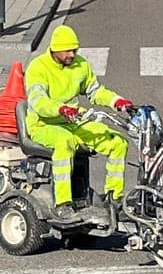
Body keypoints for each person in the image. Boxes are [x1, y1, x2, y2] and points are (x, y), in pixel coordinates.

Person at [22, 24, 135, 225]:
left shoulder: (81, 66)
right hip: (43, 125)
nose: (72, 54)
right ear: (55, 49)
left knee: (118, 143)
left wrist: (117, 101)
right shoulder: (38, 68)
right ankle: (63, 204)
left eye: (75, 50)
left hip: (73, 121)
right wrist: (61, 109)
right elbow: (38, 102)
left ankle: (113, 199)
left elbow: (95, 91)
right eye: (68, 50)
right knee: (65, 141)